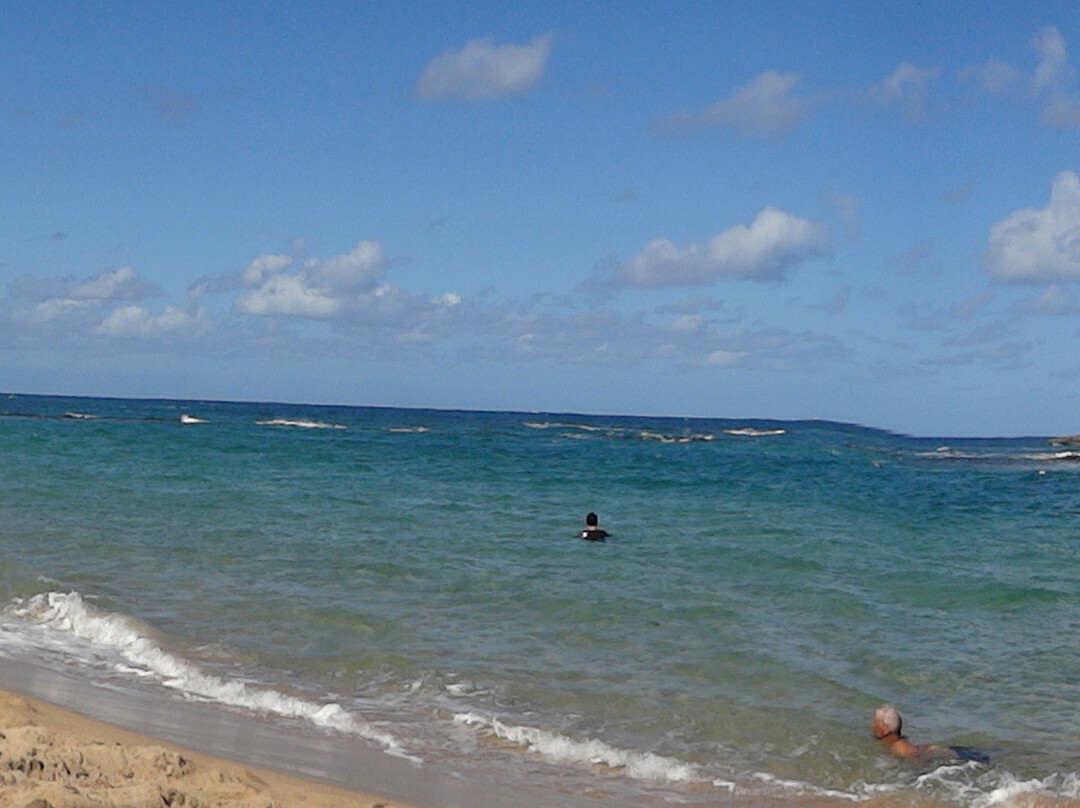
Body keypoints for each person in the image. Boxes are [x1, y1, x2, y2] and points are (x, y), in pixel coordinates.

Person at [872, 704, 988, 762]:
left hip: (958, 756)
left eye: (876, 722)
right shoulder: (901, 744)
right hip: (952, 752)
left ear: (885, 729)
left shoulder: (902, 751)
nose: (873, 725)